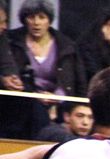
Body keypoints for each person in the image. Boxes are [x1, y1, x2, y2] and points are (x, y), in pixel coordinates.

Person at [0, 0, 87, 140]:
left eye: (42, 17)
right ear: (24, 20)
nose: (36, 23)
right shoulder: (10, 40)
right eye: (31, 17)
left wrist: (59, 97)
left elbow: (79, 83)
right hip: (21, 107)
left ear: (49, 20)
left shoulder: (67, 45)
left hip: (60, 109)